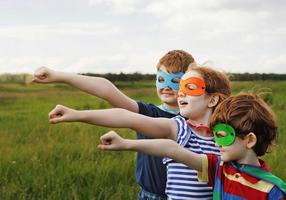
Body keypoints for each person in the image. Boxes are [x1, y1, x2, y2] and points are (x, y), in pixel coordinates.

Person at [47, 66, 231, 199]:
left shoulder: (228, 139)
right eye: (180, 87)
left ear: (213, 99)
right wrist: (77, 114)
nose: (180, 93)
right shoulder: (178, 128)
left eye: (188, 87)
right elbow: (127, 117)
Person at [34, 50, 195, 199]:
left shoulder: (200, 118)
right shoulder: (148, 113)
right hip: (150, 195)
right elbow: (107, 90)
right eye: (161, 79)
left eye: (175, 81)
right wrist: (59, 76)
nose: (166, 86)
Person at [97, 92, 286, 200]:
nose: (216, 143)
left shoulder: (273, 190)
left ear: (250, 140)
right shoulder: (219, 168)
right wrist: (127, 143)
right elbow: (172, 150)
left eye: (221, 136)